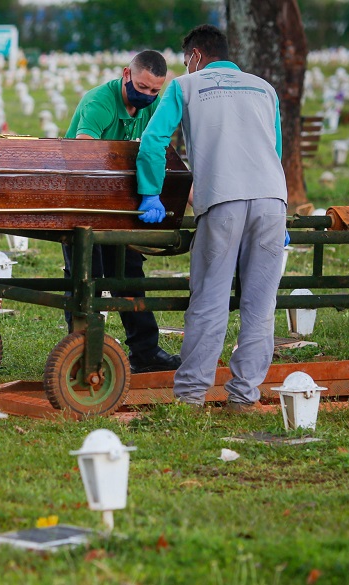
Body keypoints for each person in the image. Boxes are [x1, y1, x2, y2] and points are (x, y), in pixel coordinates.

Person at [135, 24, 288, 411]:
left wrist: (151, 191)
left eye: (186, 61)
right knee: (260, 305)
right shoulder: (264, 88)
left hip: (222, 200)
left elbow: (154, 140)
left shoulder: (186, 87)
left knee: (209, 300)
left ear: (196, 57)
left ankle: (190, 396)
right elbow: (276, 149)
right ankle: (244, 397)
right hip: (272, 202)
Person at [63, 50, 182, 374]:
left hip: (122, 203)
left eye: (154, 91)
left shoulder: (153, 105)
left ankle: (145, 351)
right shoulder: (99, 102)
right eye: (142, 87)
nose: (147, 95)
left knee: (130, 275)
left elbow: (159, 149)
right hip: (82, 202)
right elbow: (85, 155)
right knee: (87, 278)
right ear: (126, 74)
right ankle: (83, 352)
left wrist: (153, 195)